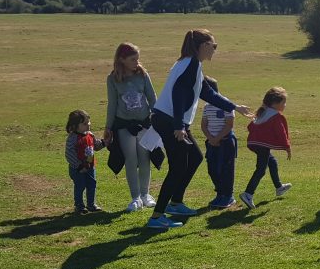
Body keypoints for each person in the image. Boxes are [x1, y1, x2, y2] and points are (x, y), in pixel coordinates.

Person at [146, 29, 252, 231]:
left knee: (194, 157)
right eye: (214, 46)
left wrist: (235, 107)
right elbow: (177, 93)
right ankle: (157, 216)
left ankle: (176, 203)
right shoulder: (191, 64)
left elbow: (208, 93)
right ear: (203, 46)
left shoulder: (192, 65)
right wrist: (178, 125)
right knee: (177, 168)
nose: (215, 50)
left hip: (173, 120)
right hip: (169, 121)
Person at [103, 42, 158, 212]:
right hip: (124, 125)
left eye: (138, 59)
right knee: (130, 159)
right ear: (122, 59)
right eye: (133, 59)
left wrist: (157, 120)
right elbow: (112, 104)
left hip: (143, 123)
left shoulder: (142, 74)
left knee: (144, 159)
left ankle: (145, 195)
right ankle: (135, 198)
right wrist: (108, 127)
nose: (137, 62)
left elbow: (152, 97)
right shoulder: (113, 78)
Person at [239, 87, 292, 209]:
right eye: (283, 102)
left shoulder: (263, 111)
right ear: (275, 103)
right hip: (261, 146)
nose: (285, 105)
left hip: (254, 144)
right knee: (261, 169)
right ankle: (248, 194)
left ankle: (279, 187)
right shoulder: (276, 115)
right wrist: (287, 147)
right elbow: (281, 132)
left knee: (272, 162)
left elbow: (250, 127)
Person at [201, 77, 237, 209]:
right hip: (211, 143)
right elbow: (204, 125)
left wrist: (217, 138)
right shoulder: (206, 107)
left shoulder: (226, 104)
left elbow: (229, 125)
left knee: (226, 170)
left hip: (226, 142)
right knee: (212, 169)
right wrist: (211, 138)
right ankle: (220, 193)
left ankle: (228, 196)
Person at [65, 109, 106, 214]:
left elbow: (96, 146)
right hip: (77, 169)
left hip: (90, 167)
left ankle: (91, 204)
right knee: (80, 185)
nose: (88, 125)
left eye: (88, 122)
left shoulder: (90, 134)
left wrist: (105, 142)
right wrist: (79, 166)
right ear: (75, 126)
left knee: (92, 184)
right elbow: (70, 154)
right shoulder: (73, 138)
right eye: (84, 123)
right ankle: (79, 206)